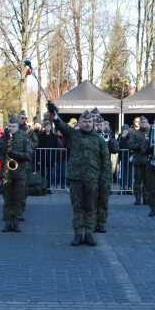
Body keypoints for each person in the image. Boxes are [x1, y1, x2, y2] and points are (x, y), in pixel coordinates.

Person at [50, 105, 108, 246]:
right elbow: (59, 123)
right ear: (80, 123)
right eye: (84, 122)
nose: (87, 124)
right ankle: (77, 234)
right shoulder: (73, 134)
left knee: (90, 207)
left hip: (92, 178)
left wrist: (104, 180)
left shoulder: (99, 139)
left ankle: (88, 234)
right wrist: (53, 112)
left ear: (93, 123)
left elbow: (105, 161)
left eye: (89, 122)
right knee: (77, 207)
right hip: (76, 178)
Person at [0, 115, 33, 232]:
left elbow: (29, 154)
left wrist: (17, 154)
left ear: (17, 126)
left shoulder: (24, 136)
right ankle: (7, 223)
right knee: (7, 200)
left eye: (13, 126)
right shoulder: (4, 136)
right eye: (9, 126)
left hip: (20, 173)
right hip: (6, 172)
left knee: (17, 199)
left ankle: (16, 223)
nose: (11, 128)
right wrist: (4, 139)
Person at [95, 119, 118, 233]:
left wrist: (110, 138)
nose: (99, 127)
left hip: (104, 171)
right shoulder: (91, 136)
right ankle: (93, 222)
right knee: (92, 198)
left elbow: (115, 149)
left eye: (101, 125)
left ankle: (102, 222)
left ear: (105, 126)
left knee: (104, 198)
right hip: (93, 171)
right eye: (97, 124)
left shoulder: (107, 136)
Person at [127, 117, 151, 206]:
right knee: (137, 182)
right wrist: (139, 145)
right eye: (142, 122)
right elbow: (129, 145)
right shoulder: (135, 133)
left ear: (147, 123)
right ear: (139, 123)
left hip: (148, 162)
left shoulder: (151, 133)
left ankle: (146, 199)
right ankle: (137, 199)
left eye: (145, 122)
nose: (143, 123)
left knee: (147, 182)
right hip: (138, 161)